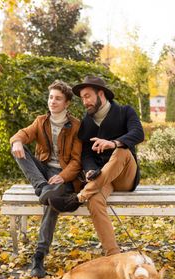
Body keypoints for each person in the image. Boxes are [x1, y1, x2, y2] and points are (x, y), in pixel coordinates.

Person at [49, 76, 144, 256]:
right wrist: (90, 169)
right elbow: (86, 153)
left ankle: (78, 197)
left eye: (88, 96)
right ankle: (113, 254)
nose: (85, 102)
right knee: (94, 199)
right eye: (83, 98)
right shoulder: (87, 121)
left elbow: (138, 133)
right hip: (102, 179)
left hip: (125, 176)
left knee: (123, 151)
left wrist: (114, 143)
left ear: (101, 94)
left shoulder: (125, 112)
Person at [10, 80, 82, 278]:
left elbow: (77, 162)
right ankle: (41, 187)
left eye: (58, 98)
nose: (53, 101)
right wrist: (17, 141)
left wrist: (62, 176)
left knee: (52, 203)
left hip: (63, 177)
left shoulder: (76, 126)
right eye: (51, 97)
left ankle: (39, 256)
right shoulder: (41, 121)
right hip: (42, 173)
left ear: (67, 103)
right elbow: (24, 134)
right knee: (17, 147)